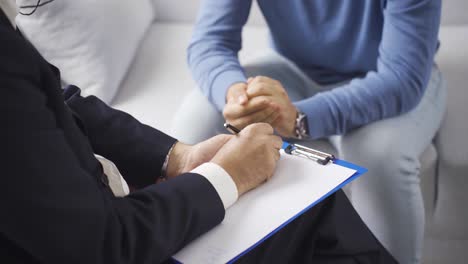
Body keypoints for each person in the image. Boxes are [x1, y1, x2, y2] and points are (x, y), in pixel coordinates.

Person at [0, 3, 398, 263]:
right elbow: (101, 245)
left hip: (97, 222)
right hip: (110, 239)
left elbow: (58, 101)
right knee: (313, 208)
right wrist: (229, 170)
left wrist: (177, 156)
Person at [170, 1, 446, 263]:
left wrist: (301, 119)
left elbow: (401, 77)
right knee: (195, 122)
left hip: (389, 77)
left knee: (376, 155)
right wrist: (235, 95)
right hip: (292, 70)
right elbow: (210, 42)